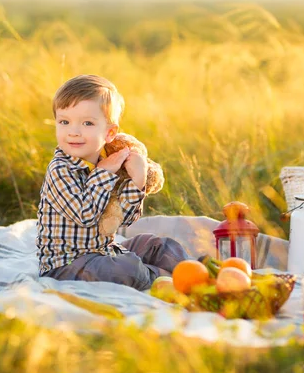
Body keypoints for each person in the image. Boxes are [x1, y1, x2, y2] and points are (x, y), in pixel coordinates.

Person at [36, 74, 190, 291]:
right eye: (64, 121)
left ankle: (198, 271)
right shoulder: (60, 169)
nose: (73, 131)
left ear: (110, 133)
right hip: (66, 265)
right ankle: (163, 280)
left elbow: (121, 219)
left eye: (87, 123)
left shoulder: (110, 162)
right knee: (125, 269)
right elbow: (85, 215)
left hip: (103, 251)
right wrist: (104, 173)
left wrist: (137, 181)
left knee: (158, 245)